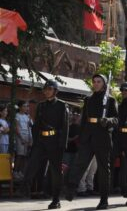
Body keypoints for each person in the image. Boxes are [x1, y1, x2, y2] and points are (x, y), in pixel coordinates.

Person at [65, 74, 118, 210]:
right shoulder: (88, 99)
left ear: (104, 84)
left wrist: (108, 121)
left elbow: (116, 120)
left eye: (99, 82)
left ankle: (104, 199)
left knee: (103, 170)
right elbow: (84, 120)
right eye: (94, 82)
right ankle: (71, 188)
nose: (95, 84)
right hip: (88, 137)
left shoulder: (110, 100)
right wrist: (82, 138)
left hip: (103, 137)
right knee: (80, 163)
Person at [24, 80, 69, 209]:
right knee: (33, 163)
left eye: (49, 89)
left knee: (55, 172)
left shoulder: (62, 105)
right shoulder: (41, 105)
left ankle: (56, 199)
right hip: (41, 142)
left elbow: (65, 126)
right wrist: (36, 141)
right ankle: (26, 186)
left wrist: (62, 144)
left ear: (55, 91)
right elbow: (37, 125)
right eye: (45, 89)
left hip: (55, 143)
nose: (47, 91)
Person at [14, 100, 33, 180]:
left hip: (28, 137)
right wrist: (21, 138)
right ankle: (15, 171)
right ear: (20, 107)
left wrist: (30, 140)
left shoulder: (28, 117)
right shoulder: (17, 115)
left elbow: (31, 128)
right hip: (20, 137)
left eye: (27, 106)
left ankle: (21, 172)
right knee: (19, 155)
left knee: (25, 156)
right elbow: (17, 128)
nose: (26, 108)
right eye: (24, 106)